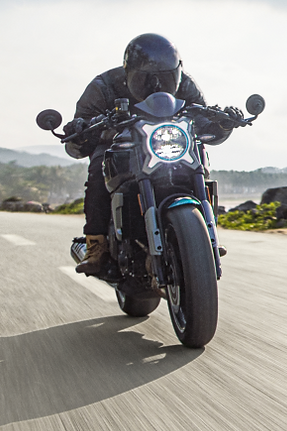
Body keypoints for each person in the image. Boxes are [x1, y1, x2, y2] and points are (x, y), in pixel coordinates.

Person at [69, 33, 208, 277]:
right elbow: (77, 139)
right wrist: (81, 129)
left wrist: (222, 120)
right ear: (129, 72)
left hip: (165, 141)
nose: (155, 85)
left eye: (164, 78)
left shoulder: (186, 85)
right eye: (146, 78)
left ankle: (204, 234)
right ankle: (96, 244)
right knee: (99, 163)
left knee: (198, 152)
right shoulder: (104, 86)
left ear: (176, 72)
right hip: (121, 145)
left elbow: (204, 118)